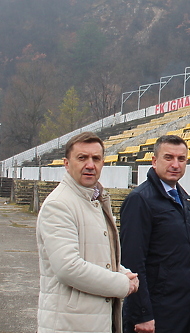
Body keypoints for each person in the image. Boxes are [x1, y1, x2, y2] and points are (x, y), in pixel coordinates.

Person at [36, 131, 140, 333]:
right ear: (66, 163)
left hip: (93, 321)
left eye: (96, 158)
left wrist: (122, 272)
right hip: (70, 325)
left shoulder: (94, 199)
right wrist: (120, 284)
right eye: (82, 158)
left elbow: (96, 256)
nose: (90, 165)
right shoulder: (59, 205)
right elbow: (68, 267)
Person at [120, 134, 190, 333]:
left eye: (181, 159)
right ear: (154, 161)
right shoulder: (140, 200)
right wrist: (142, 314)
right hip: (156, 312)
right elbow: (132, 261)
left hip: (183, 309)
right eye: (169, 158)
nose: (175, 164)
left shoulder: (180, 197)